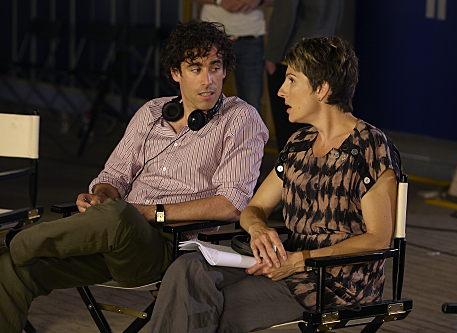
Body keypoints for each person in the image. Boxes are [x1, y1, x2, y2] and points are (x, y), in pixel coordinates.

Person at [0, 19, 268, 333]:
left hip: (168, 248)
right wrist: (101, 193)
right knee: (10, 269)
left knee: (116, 215)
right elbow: (113, 176)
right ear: (175, 74)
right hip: (109, 237)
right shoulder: (152, 112)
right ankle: (15, 248)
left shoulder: (240, 119)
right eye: (196, 69)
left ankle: (14, 239)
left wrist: (147, 214)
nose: (208, 79)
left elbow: (231, 205)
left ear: (225, 70)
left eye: (215, 67)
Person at [147, 36, 402, 333]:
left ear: (322, 89)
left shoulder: (370, 146)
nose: (281, 91)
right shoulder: (299, 144)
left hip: (333, 284)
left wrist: (300, 261)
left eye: (291, 80)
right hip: (286, 264)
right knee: (187, 269)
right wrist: (258, 228)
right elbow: (255, 206)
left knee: (204, 309)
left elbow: (377, 239)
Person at [265, 0, 345, 151]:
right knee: (314, 124)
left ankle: (289, 169)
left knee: (288, 126)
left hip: (292, 57)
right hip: (324, 56)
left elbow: (284, 15)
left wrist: (272, 55)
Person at [193, 0, 272, 111]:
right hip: (212, 38)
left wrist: (258, 1)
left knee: (251, 103)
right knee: (205, 97)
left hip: (251, 38)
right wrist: (219, 1)